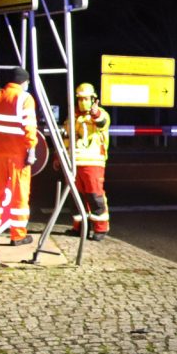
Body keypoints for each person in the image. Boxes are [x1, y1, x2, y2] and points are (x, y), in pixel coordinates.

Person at [0, 66, 38, 246]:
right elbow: (29, 127)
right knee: (19, 194)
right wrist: (32, 149)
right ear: (23, 81)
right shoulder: (25, 98)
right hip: (17, 154)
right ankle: (18, 235)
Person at [66, 82, 111, 240]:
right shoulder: (73, 117)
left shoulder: (101, 114)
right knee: (75, 197)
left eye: (86, 99)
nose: (82, 102)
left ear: (93, 99)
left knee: (95, 196)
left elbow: (102, 122)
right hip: (74, 162)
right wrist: (60, 158)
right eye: (80, 99)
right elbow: (67, 138)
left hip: (93, 162)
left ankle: (100, 229)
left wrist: (95, 113)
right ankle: (80, 228)